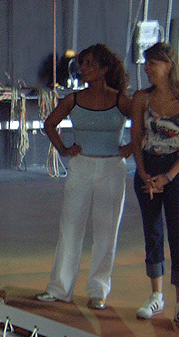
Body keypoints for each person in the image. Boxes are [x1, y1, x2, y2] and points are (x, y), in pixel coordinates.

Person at [35, 44, 132, 309]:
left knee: (106, 231)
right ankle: (59, 288)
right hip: (81, 167)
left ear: (104, 69)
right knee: (70, 227)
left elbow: (145, 124)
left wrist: (131, 147)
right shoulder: (74, 99)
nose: (83, 68)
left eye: (90, 63)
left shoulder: (121, 100)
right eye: (83, 63)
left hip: (112, 168)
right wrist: (64, 149)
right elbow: (49, 124)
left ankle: (98, 291)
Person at [131, 42, 179, 329]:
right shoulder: (142, 98)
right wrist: (143, 172)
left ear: (168, 66)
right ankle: (156, 296)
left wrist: (169, 176)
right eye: (146, 63)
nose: (147, 68)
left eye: (153, 63)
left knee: (178, 234)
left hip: (176, 171)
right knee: (152, 230)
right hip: (149, 167)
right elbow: (136, 138)